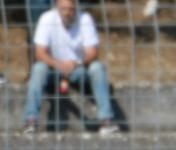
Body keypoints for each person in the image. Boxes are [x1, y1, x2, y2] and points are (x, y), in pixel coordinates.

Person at [22, 0, 118, 135]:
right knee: (38, 69)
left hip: (77, 69)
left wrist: (76, 63)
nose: (67, 13)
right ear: (56, 7)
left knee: (97, 67)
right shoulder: (46, 19)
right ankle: (30, 120)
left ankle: (106, 120)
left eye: (71, 9)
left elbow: (92, 52)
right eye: (63, 9)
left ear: (76, 7)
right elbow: (39, 52)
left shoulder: (85, 19)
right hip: (53, 69)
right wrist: (57, 64)